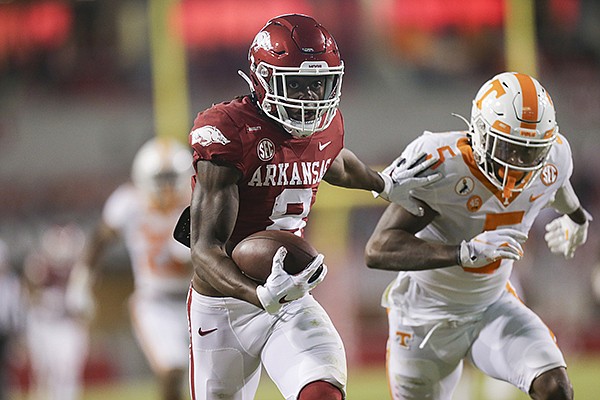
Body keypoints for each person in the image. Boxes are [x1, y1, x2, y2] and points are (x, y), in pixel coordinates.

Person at [179, 13, 440, 400]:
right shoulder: (229, 132)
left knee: (322, 392)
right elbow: (203, 251)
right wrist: (258, 295)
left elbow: (333, 161)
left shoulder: (326, 125)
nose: (311, 97)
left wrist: (384, 183)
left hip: (289, 296)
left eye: (319, 84)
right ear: (263, 79)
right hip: (224, 305)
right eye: (297, 85)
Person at [365, 72, 591, 400]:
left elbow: (556, 184)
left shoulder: (553, 157)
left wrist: (577, 217)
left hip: (491, 306)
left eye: (529, 153)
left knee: (554, 387)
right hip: (424, 317)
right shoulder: (443, 166)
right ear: (481, 133)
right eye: (509, 148)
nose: (519, 164)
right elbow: (378, 249)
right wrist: (463, 252)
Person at [66, 137, 194, 400]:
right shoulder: (129, 202)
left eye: (172, 178)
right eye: (161, 179)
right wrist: (80, 283)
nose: (168, 187)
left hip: (199, 296)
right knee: (172, 369)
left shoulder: (198, 199)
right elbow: (100, 239)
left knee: (212, 375)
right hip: (155, 300)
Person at [22, 224, 89, 400]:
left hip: (67, 323)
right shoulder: (40, 264)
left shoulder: (79, 269)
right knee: (44, 372)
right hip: (44, 323)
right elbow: (31, 293)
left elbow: (82, 301)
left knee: (67, 370)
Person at [0, 239, 24, 400]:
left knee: (4, 371)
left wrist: (18, 335)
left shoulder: (11, 283)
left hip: (4, 332)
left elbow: (16, 311)